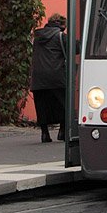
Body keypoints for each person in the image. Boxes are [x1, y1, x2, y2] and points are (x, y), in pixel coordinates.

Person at [30, 14, 67, 143]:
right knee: (64, 104)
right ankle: (62, 132)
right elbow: (74, 50)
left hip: (38, 77)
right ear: (62, 25)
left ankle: (44, 134)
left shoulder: (38, 37)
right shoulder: (61, 36)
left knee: (42, 106)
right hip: (56, 76)